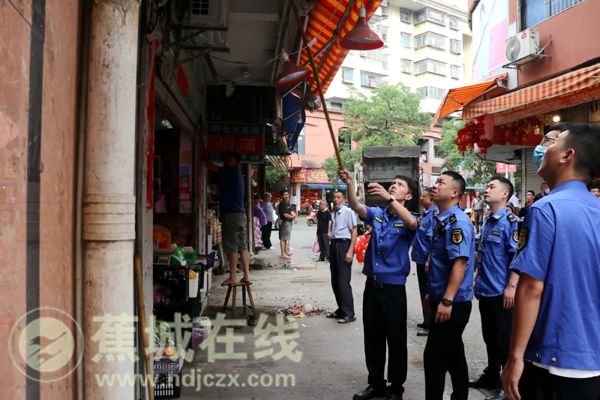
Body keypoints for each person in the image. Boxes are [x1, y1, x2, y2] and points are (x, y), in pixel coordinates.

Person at [502, 123, 600, 400]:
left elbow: (532, 288)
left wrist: (515, 357)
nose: (543, 149)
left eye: (552, 143)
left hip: (552, 360)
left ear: (567, 156)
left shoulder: (545, 209)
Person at [339, 169, 419, 400]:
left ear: (409, 196)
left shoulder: (408, 217)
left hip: (394, 290)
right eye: (392, 183)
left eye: (400, 185)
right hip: (372, 287)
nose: (394, 186)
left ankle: (396, 388)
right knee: (372, 338)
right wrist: (350, 184)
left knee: (396, 340)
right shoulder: (379, 214)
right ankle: (376, 384)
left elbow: (412, 224)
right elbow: (356, 206)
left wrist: (389, 198)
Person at [424, 171, 475, 400]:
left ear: (455, 193)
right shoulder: (442, 218)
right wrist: (433, 295)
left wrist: (446, 300)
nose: (435, 186)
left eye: (440, 183)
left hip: (453, 303)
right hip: (444, 298)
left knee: (434, 358)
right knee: (454, 354)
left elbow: (460, 263)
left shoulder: (457, 223)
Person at [470, 176, 520, 400]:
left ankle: (507, 385)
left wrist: (511, 286)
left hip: (502, 292)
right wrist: (477, 276)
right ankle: (491, 375)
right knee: (489, 337)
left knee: (503, 341)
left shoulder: (512, 222)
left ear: (504, 194)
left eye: (492, 187)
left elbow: (518, 257)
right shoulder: (489, 220)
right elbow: (484, 254)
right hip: (486, 289)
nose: (486, 190)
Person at [202, 152, 251, 286]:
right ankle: (246, 274)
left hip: (231, 215)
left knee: (232, 247)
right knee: (242, 246)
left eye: (230, 158)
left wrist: (202, 155)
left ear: (236, 162)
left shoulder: (230, 171)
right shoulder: (238, 175)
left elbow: (210, 166)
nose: (226, 161)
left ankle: (233, 276)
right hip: (240, 214)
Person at [326, 190, 357, 325]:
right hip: (334, 245)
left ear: (343, 200)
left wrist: (350, 251)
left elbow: (354, 232)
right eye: (334, 198)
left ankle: (349, 313)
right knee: (335, 280)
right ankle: (341, 309)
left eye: (339, 198)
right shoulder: (333, 213)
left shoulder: (348, 212)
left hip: (344, 245)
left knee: (343, 281)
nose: (336, 200)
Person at [411, 187, 438, 337]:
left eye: (424, 196)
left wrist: (429, 259)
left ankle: (430, 323)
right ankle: (426, 319)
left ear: (431, 200)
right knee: (423, 290)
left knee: (428, 291)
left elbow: (433, 240)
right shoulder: (426, 215)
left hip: (427, 261)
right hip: (420, 259)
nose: (421, 198)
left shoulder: (434, 215)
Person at [277, 189, 296, 259]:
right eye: (284, 195)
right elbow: (284, 214)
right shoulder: (281, 204)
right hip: (283, 222)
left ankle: (286, 252)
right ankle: (283, 253)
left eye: (287, 194)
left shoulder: (288, 203)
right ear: (281, 196)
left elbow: (291, 211)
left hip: (289, 222)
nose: (286, 196)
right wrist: (292, 217)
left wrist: (295, 216)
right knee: (283, 238)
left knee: (286, 238)